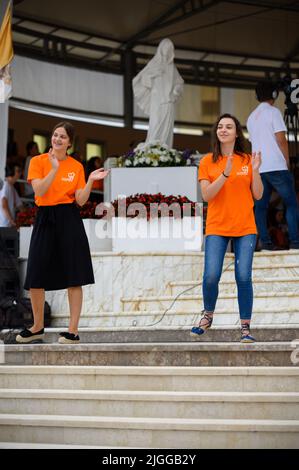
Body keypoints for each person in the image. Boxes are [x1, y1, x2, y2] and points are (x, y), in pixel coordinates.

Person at [16, 121, 109, 344]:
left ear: (69, 142)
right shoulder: (38, 161)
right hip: (45, 217)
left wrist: (90, 181)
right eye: (55, 135)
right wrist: (55, 169)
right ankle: (37, 326)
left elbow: (80, 200)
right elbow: (38, 190)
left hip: (69, 218)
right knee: (36, 274)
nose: (57, 139)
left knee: (73, 275)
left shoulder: (76, 166)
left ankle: (73, 331)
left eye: (63, 137)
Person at [190, 114, 263, 343]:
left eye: (229, 127)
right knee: (211, 275)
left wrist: (257, 170)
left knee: (243, 277)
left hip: (245, 227)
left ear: (237, 133)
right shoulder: (207, 162)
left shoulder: (248, 160)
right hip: (217, 227)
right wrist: (225, 174)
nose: (223, 130)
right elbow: (206, 195)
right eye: (220, 126)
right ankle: (208, 315)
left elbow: (258, 194)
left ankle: (245, 327)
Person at [247, 80, 299, 250]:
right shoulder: (274, 112)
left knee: (260, 208)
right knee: (291, 204)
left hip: (259, 168)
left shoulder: (251, 117)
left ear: (256, 96)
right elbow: (281, 140)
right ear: (275, 95)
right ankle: (295, 243)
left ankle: (266, 244)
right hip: (277, 166)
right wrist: (287, 161)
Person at [133, 38, 184, 148]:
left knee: (167, 127)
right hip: (157, 101)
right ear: (161, 49)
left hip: (169, 102)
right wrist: (153, 75)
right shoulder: (154, 63)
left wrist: (176, 90)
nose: (168, 51)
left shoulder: (172, 67)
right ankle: (152, 148)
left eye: (170, 49)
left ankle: (165, 148)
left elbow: (179, 82)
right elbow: (142, 79)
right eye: (166, 48)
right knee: (156, 124)